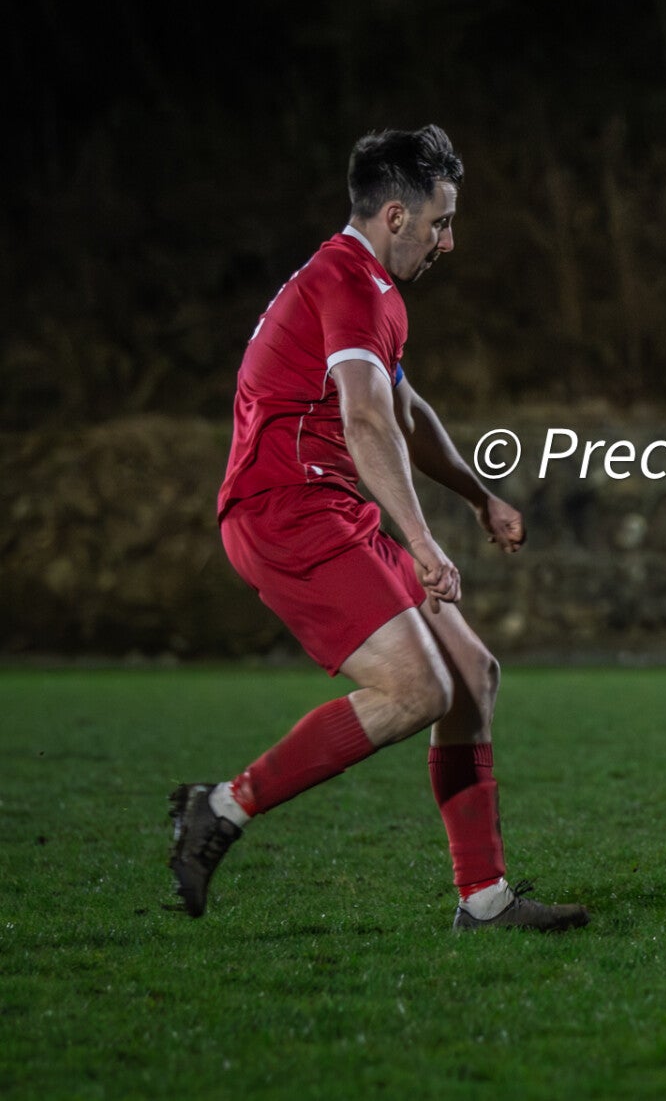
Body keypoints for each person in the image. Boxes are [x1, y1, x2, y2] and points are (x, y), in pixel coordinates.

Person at [170, 125, 587, 931]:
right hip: (283, 509)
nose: (448, 241)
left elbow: (404, 411)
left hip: (325, 503)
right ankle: (219, 806)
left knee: (471, 675)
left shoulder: (361, 285)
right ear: (396, 216)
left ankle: (484, 899)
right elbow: (365, 420)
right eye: (440, 222)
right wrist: (424, 542)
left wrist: (477, 496)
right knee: (417, 689)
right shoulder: (350, 284)